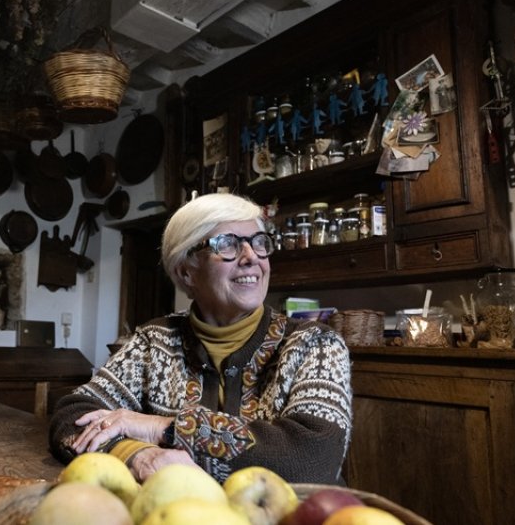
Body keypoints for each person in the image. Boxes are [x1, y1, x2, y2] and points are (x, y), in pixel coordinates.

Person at [48, 193, 352, 484]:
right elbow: (73, 415)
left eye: (258, 242)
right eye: (228, 244)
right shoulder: (155, 342)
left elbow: (314, 460)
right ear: (186, 273)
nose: (251, 257)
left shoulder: (315, 344)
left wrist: (164, 429)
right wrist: (136, 455)